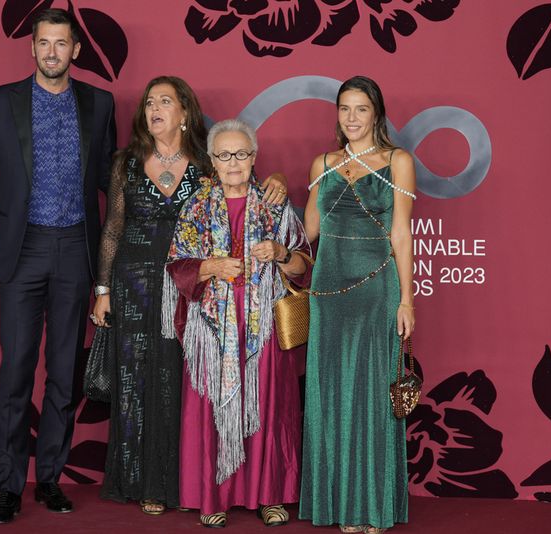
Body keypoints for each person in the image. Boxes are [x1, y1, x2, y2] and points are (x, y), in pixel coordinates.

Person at [92, 80, 287, 516]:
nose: (154, 108)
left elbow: (247, 189)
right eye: (149, 102)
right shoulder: (126, 161)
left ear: (185, 113)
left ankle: (181, 482)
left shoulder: (206, 159)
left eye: (165, 101)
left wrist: (275, 178)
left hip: (191, 293)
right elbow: (112, 228)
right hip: (135, 285)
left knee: (179, 384)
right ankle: (145, 484)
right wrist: (102, 289)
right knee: (135, 384)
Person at [0, 8, 116, 525]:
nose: (52, 52)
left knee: (65, 374)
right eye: (43, 43)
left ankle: (48, 478)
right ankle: (8, 486)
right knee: (16, 371)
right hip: (21, 252)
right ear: (32, 48)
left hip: (77, 248)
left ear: (76, 50)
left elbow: (114, 191)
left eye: (61, 44)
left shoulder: (100, 103)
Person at [162, 118, 309, 528]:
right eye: (224, 155)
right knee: (214, 408)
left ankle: (271, 495)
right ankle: (215, 497)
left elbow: (302, 264)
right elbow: (176, 265)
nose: (233, 162)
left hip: (263, 327)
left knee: (268, 408)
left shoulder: (273, 204)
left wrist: (280, 252)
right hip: (212, 328)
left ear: (254, 158)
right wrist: (209, 266)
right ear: (211, 159)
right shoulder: (195, 207)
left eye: (241, 154)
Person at [299, 76, 416, 534]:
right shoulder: (323, 164)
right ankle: (336, 503)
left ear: (377, 114)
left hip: (376, 289)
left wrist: (407, 299)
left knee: (370, 395)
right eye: (344, 108)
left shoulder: (398, 161)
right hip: (327, 291)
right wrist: (266, 189)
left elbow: (401, 234)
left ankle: (370, 505)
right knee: (329, 394)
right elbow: (306, 232)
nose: (351, 118)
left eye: (360, 109)